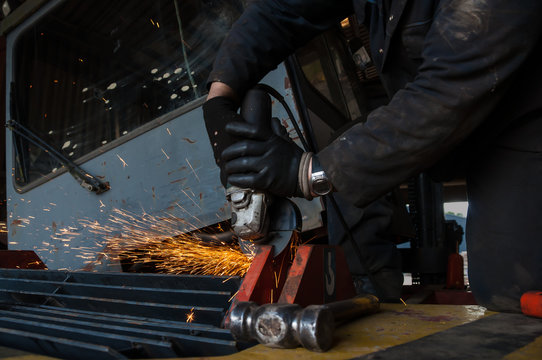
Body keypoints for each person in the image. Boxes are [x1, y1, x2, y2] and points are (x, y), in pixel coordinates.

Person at [202, 0, 542, 312]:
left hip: (523, 124)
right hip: (459, 114)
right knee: (498, 286)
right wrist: (219, 96)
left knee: (515, 289)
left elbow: (447, 93)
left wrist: (310, 172)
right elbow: (280, 11)